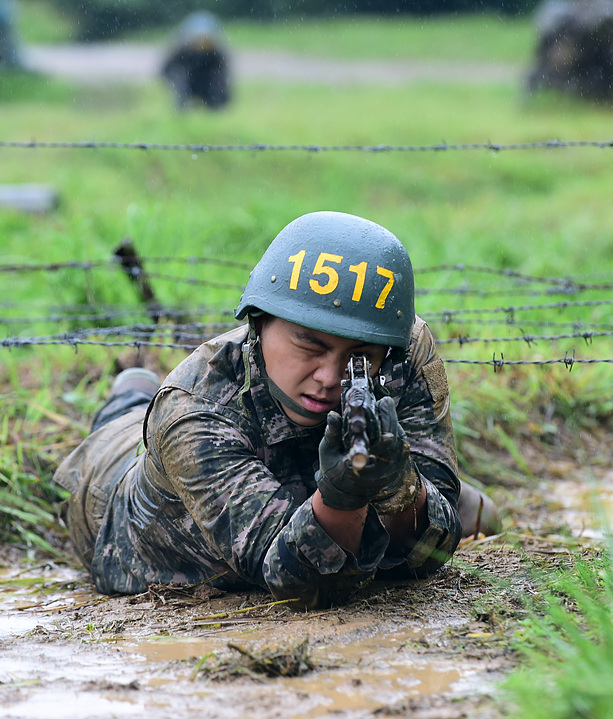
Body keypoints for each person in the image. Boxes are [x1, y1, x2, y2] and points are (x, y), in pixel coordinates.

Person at [54, 211, 501, 609]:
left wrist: (404, 490)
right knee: (129, 412)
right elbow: (295, 581)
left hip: (301, 476)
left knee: (476, 514)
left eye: (358, 355)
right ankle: (132, 380)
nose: (330, 377)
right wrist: (343, 497)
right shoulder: (192, 410)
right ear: (258, 321)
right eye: (310, 343)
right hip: (120, 493)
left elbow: (434, 543)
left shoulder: (402, 344)